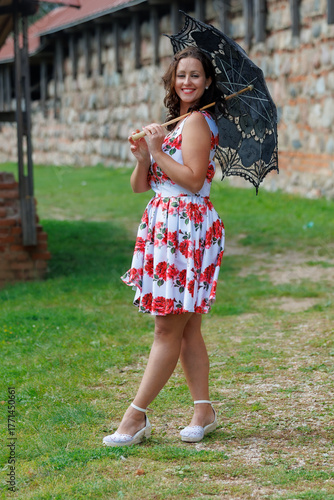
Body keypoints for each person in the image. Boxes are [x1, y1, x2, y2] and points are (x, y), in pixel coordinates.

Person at [103, 47, 225, 446]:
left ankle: (134, 417)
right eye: (181, 75)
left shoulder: (196, 123)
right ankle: (203, 411)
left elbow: (192, 181)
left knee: (165, 327)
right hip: (165, 227)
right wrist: (142, 158)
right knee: (187, 331)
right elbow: (143, 186)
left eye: (195, 75)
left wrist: (157, 151)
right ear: (173, 81)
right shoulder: (174, 126)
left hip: (186, 229)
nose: (187, 82)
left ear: (207, 81)